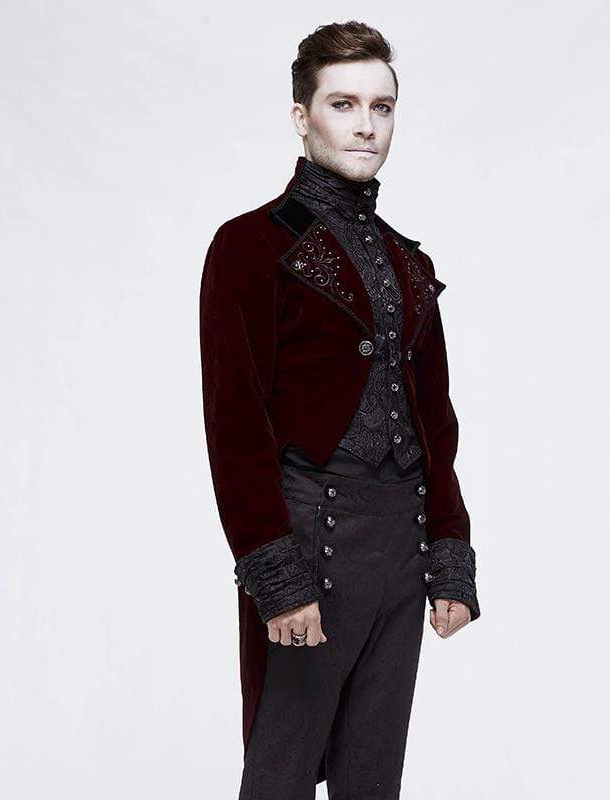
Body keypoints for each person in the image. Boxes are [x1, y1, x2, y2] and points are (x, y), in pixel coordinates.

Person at [199, 20, 481, 799]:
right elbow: (234, 423)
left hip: (402, 548)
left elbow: (436, 421)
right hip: (309, 537)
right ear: (302, 116)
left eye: (381, 107)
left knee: (372, 783)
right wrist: (278, 578)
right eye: (343, 104)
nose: (366, 125)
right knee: (281, 775)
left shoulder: (409, 262)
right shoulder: (250, 246)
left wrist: (449, 554)